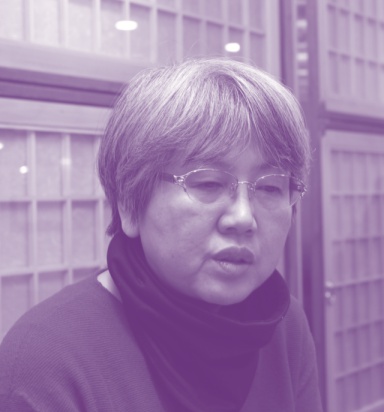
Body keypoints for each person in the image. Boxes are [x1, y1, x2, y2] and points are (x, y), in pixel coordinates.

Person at [0, 58, 323, 412]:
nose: (243, 218)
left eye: (271, 187)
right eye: (208, 183)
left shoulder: (282, 324)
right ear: (130, 202)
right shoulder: (48, 359)